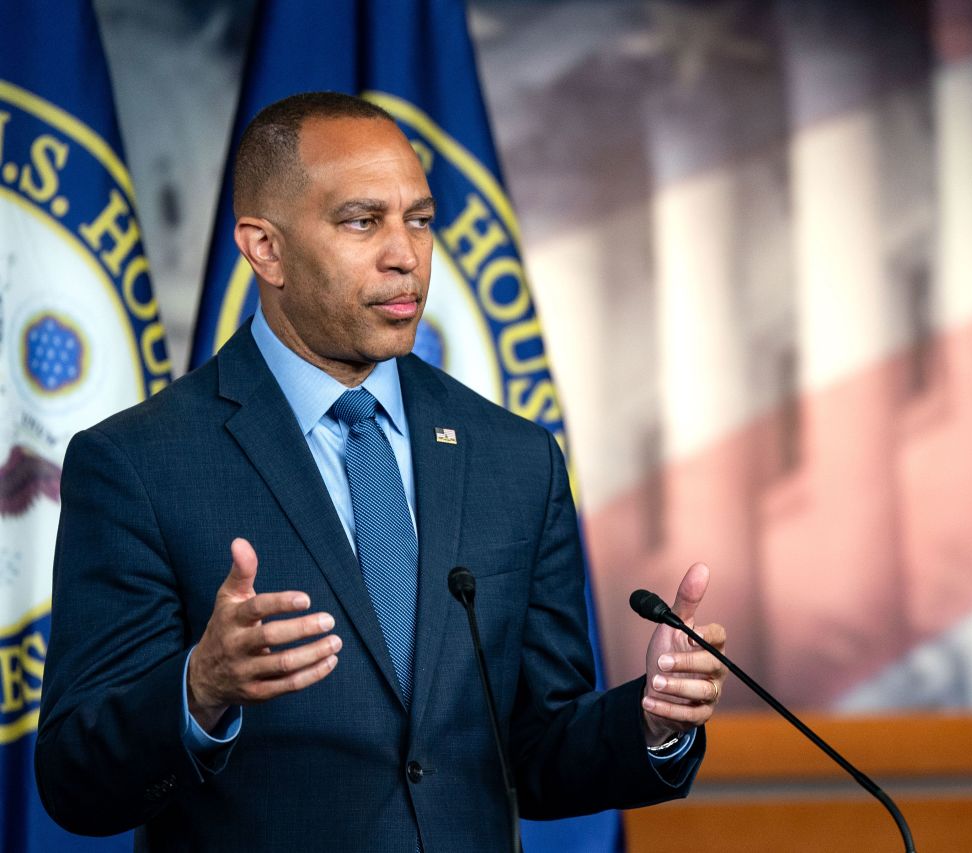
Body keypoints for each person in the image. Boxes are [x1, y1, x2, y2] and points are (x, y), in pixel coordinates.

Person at [36, 91, 727, 851]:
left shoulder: (515, 459)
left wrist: (651, 722)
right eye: (362, 221)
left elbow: (535, 751)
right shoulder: (140, 463)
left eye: (420, 219)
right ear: (265, 248)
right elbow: (76, 779)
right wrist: (198, 690)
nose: (405, 254)